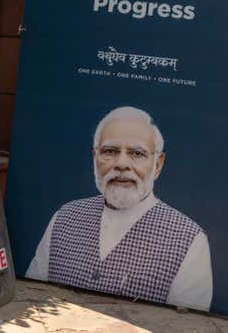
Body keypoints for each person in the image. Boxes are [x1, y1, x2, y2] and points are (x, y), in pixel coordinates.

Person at [26, 106, 213, 310]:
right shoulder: (64, 218)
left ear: (157, 165)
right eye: (110, 151)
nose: (122, 164)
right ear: (94, 158)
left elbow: (187, 325)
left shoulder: (189, 240)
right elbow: (33, 295)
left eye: (137, 153)